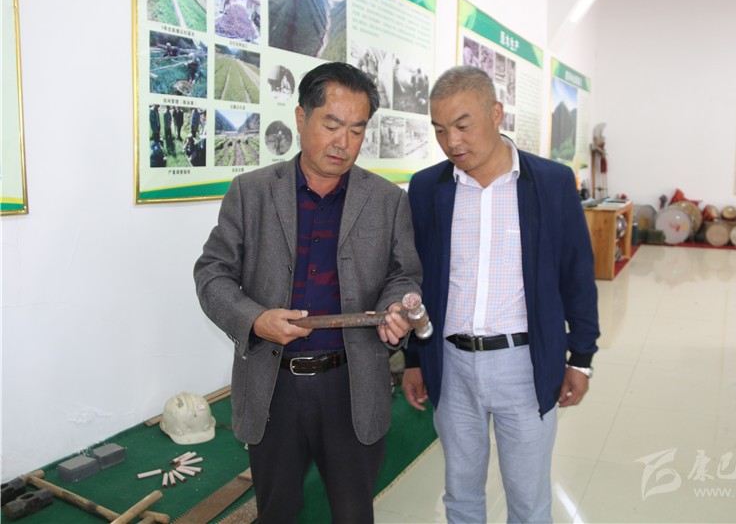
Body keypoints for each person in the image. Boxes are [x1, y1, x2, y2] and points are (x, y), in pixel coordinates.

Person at [194, 62, 422, 523]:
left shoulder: (387, 200)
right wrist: (255, 319)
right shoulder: (251, 193)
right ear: (302, 118)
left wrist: (395, 306)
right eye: (332, 125)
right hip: (273, 385)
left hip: (351, 384)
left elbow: (403, 275)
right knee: (277, 512)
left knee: (354, 513)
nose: (343, 142)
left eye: (357, 130)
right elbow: (212, 274)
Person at [402, 65, 600, 523]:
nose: (452, 142)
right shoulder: (428, 188)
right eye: (440, 129)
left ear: (496, 113)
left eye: (462, 125)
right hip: (451, 364)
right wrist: (414, 358)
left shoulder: (550, 182)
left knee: (528, 502)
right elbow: (416, 280)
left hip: (524, 365)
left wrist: (581, 357)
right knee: (460, 495)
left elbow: (576, 274)